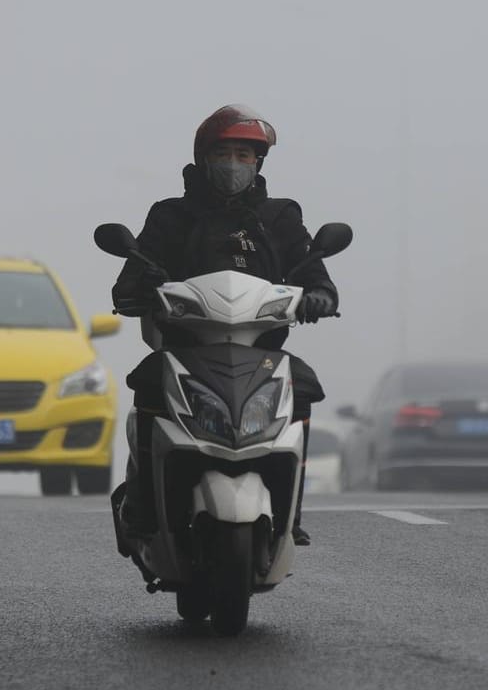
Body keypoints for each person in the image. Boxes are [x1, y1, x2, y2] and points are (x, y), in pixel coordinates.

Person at [112, 104, 339, 547]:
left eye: (244, 155)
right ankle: (141, 504)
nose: (234, 165)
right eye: (224, 154)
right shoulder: (169, 216)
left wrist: (321, 296)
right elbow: (130, 279)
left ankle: (291, 512)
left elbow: (313, 271)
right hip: (186, 350)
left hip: (263, 353)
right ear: (203, 158)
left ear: (258, 163)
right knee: (148, 383)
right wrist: (138, 289)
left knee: (305, 388)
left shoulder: (280, 217)